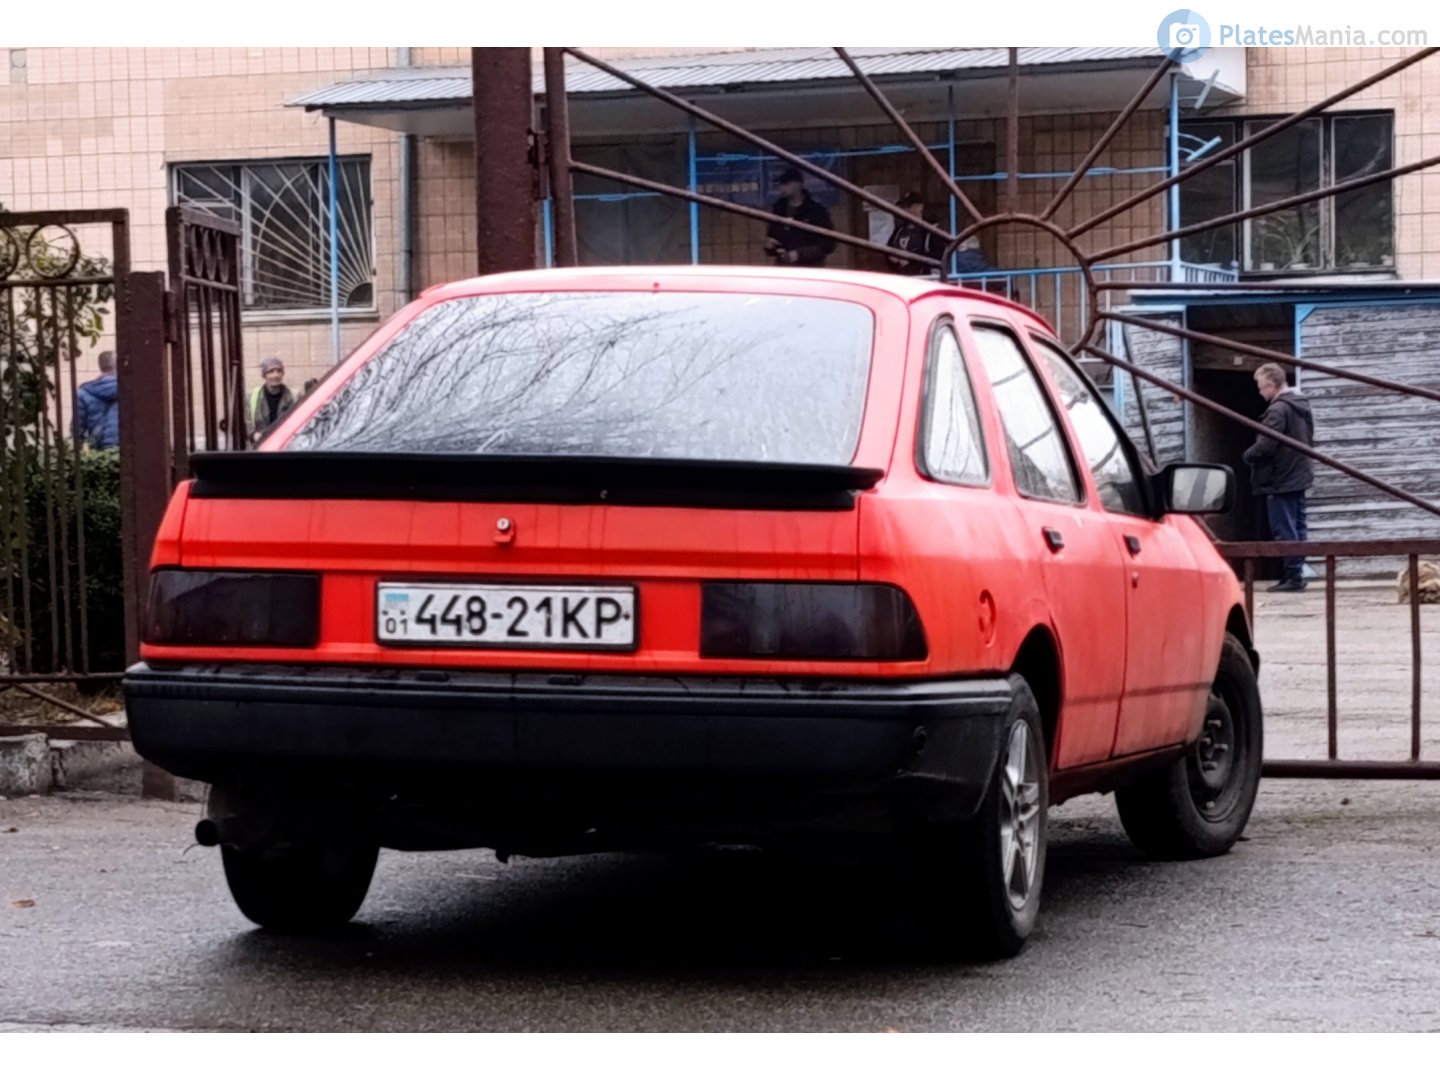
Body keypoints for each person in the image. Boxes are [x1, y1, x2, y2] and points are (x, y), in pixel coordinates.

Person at [1242, 361, 1315, 592]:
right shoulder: (1301, 406)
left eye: (1261, 387)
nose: (1260, 392)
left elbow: (1267, 444)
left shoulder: (1278, 409)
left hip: (1280, 477)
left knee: (1283, 527)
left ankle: (1293, 576)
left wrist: (1247, 456)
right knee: (1298, 526)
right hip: (1299, 473)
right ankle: (1296, 572)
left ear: (1272, 385)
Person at [763, 168, 836, 268]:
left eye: (786, 183)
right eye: (780, 184)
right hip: (784, 269)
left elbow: (828, 245)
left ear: (798, 184)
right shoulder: (778, 210)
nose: (782, 188)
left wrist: (799, 254)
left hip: (810, 270)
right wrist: (770, 246)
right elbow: (772, 239)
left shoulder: (816, 211)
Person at [885, 191, 943, 276]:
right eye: (904, 207)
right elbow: (888, 251)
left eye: (909, 207)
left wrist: (910, 260)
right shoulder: (899, 230)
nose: (906, 210)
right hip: (902, 278)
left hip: (924, 278)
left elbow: (938, 255)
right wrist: (893, 259)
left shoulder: (931, 229)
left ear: (920, 207)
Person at [73, 350, 120, 451]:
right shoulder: (130, 389)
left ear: (101, 366)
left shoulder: (84, 393)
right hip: (127, 449)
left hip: (99, 450)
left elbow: (77, 430)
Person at [247, 357, 296, 443]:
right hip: (261, 445)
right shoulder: (252, 396)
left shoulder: (293, 396)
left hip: (286, 445)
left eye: (279, 371)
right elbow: (247, 421)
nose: (275, 375)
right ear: (264, 375)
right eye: (271, 371)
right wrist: (253, 434)